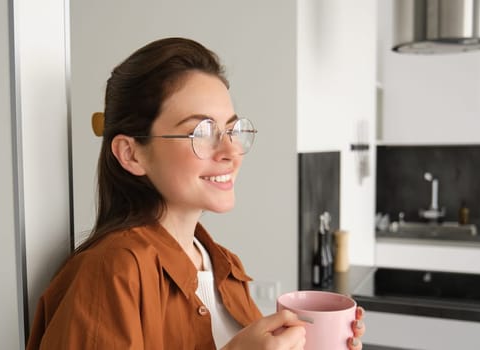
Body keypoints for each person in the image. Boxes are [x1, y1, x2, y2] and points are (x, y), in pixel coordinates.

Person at [28, 37, 365, 350]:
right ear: (131, 154)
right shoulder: (111, 272)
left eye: (231, 129)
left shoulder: (224, 266)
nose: (231, 151)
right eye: (201, 131)